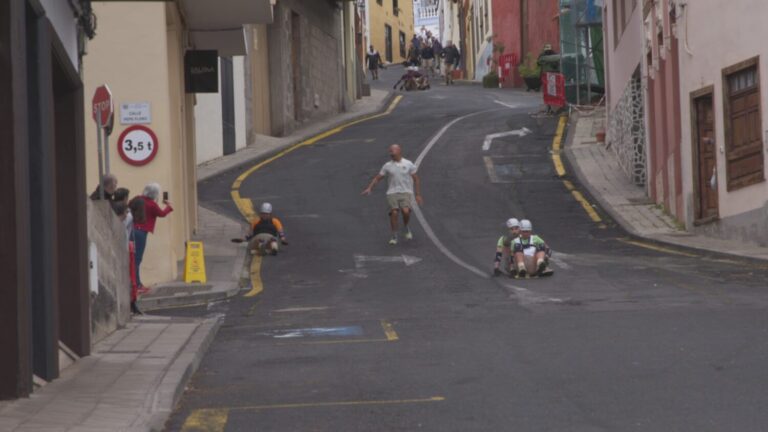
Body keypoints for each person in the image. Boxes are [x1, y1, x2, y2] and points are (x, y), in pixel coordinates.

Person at [361, 144, 423, 245]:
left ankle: (406, 227)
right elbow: (377, 178)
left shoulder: (408, 164)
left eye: (392, 151)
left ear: (399, 151)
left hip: (406, 191)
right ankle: (394, 235)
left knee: (406, 212)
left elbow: (416, 179)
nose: (390, 153)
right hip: (392, 192)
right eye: (390, 151)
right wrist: (369, 188)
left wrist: (418, 194)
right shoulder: (387, 166)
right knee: (394, 212)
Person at [132, 183, 173, 294]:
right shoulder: (152, 204)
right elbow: (162, 214)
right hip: (141, 232)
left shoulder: (137, 199)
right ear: (155, 194)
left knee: (134, 258)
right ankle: (137, 285)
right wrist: (169, 206)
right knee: (137, 259)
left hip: (132, 229)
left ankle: (137, 283)